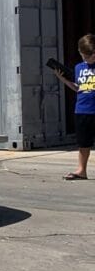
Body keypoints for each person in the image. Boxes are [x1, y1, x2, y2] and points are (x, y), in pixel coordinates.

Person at [54, 33, 95, 180]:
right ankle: (81, 170)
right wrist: (63, 79)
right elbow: (79, 88)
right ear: (80, 53)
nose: (90, 58)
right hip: (82, 109)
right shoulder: (79, 68)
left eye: (92, 55)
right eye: (86, 55)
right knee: (83, 143)